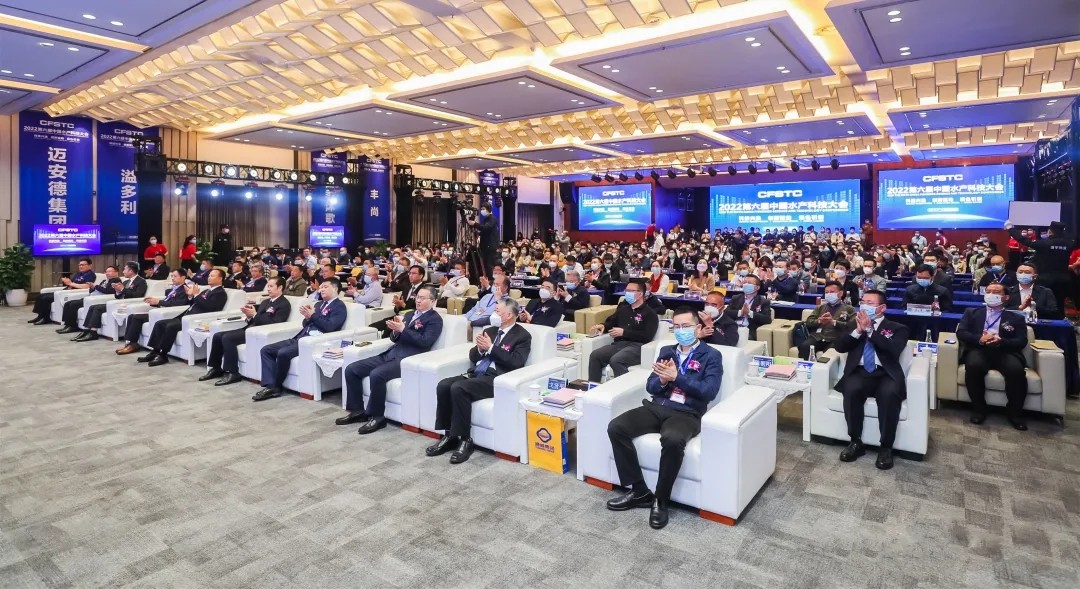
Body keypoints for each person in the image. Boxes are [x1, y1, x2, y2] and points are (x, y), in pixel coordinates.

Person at [605, 307, 724, 529]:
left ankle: (661, 499)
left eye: (686, 326)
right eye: (676, 326)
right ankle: (640, 491)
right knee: (616, 427)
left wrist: (677, 377)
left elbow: (709, 391)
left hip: (687, 413)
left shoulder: (711, 355)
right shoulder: (667, 351)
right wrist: (661, 380)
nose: (680, 331)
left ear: (698, 328)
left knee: (672, 439)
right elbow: (651, 386)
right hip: (658, 406)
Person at [426, 299, 531, 464]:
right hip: (477, 373)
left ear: (509, 315)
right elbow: (473, 356)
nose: (494, 314)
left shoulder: (522, 335)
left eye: (498, 311)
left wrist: (491, 348)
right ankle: (449, 435)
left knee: (459, 388)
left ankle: (465, 439)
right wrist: (481, 350)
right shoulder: (490, 330)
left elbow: (516, 362)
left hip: (497, 378)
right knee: (444, 385)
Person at [337, 286, 443, 433]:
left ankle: (377, 417)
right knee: (351, 369)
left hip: (409, 359)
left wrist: (403, 330)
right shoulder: (410, 314)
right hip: (391, 353)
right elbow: (394, 339)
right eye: (417, 297)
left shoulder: (435, 319)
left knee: (376, 374)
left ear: (432, 301)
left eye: (422, 298)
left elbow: (425, 342)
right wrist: (395, 331)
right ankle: (357, 411)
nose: (418, 300)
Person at [833, 290, 909, 470]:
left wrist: (870, 330)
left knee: (889, 395)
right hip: (859, 372)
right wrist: (858, 331)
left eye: (870, 303)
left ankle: (886, 448)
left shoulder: (898, 328)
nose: (864, 306)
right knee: (851, 390)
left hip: (886, 374)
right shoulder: (853, 323)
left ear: (882, 308)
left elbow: (893, 350)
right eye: (863, 302)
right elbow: (839, 346)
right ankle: (855, 442)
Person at [254, 279, 347, 402]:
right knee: (266, 350)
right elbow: (305, 324)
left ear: (335, 289)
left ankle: (274, 387)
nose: (321, 289)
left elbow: (330, 327)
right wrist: (307, 317)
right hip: (300, 337)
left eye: (325, 287)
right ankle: (270, 384)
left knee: (283, 353)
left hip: (313, 341)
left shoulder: (339, 307)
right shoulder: (318, 304)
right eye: (321, 287)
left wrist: (313, 316)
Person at [955, 283, 1030, 429]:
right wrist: (979, 339)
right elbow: (961, 332)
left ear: (1006, 297)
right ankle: (979, 410)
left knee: (1016, 371)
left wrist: (1002, 341)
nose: (990, 295)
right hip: (979, 349)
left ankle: (1014, 413)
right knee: (973, 366)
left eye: (995, 292)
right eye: (988, 291)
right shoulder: (972, 312)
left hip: (1004, 351)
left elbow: (1022, 341)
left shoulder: (1016, 318)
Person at [202, 276, 292, 386]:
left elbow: (274, 323)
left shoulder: (284, 304)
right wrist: (249, 316)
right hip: (250, 328)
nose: (268, 289)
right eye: (268, 286)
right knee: (217, 335)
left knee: (227, 338)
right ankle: (215, 368)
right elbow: (255, 318)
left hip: (259, 332)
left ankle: (233, 372)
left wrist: (254, 315)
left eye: (271, 286)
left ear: (280, 287)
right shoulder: (265, 302)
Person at [138, 269, 228, 366]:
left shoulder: (220, 293)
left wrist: (195, 295)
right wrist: (190, 296)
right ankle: (155, 351)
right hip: (187, 315)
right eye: (209, 275)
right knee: (160, 323)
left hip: (196, 319)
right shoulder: (206, 290)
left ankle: (163, 355)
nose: (209, 278)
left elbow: (210, 307)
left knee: (170, 326)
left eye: (212, 276)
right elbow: (194, 302)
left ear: (220, 278)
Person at [589, 280, 659, 381]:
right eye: (627, 290)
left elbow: (647, 336)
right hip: (619, 344)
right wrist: (603, 326)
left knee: (616, 360)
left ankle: (623, 388)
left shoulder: (650, 314)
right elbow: (611, 322)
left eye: (631, 291)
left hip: (637, 347)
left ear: (640, 294)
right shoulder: (623, 310)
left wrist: (624, 333)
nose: (627, 293)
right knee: (595, 355)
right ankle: (593, 386)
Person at [115, 270, 192, 355]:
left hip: (168, 314)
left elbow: (179, 304)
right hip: (160, 310)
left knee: (136, 318)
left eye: (175, 276)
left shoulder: (185, 289)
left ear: (183, 277)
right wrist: (153, 302)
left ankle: (133, 345)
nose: (173, 278)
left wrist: (158, 302)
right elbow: (167, 301)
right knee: (131, 316)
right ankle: (129, 343)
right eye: (172, 276)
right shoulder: (174, 288)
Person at [72, 262, 147, 342]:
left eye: (125, 269)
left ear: (131, 271)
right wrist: (118, 291)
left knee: (98, 308)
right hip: (120, 302)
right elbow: (118, 296)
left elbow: (137, 295)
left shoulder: (141, 281)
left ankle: (93, 332)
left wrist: (122, 289)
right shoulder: (126, 282)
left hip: (129, 304)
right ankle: (86, 330)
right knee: (93, 307)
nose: (123, 272)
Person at [1007, 221, 1073, 311]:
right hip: (1063, 279)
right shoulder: (1069, 244)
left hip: (1045, 279)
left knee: (1042, 303)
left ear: (1050, 231)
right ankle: (1060, 318)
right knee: (1059, 303)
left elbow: (1024, 240)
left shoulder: (1044, 243)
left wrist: (1010, 229)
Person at [28, 258, 97, 325]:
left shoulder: (90, 275)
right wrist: (67, 282)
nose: (80, 266)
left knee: (45, 298)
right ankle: (40, 316)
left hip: (71, 293)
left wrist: (71, 284)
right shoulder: (78, 274)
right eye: (79, 265)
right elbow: (71, 282)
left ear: (89, 266)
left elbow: (87, 286)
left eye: (83, 265)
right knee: (40, 296)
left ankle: (45, 318)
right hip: (66, 290)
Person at [800, 281, 858, 359]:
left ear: (840, 293)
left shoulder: (849, 309)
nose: (829, 294)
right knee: (805, 346)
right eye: (827, 292)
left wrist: (834, 322)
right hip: (818, 336)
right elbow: (809, 322)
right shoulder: (820, 307)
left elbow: (852, 326)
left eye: (832, 292)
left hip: (836, 338)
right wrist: (819, 321)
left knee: (830, 354)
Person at [56, 266, 121, 334]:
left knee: (73, 304)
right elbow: (94, 290)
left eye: (110, 271)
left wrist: (96, 286)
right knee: (67, 303)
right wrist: (92, 287)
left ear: (116, 272)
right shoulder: (104, 281)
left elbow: (108, 291)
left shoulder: (116, 281)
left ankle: (72, 326)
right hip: (91, 297)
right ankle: (67, 324)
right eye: (106, 272)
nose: (107, 273)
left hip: (97, 299)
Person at [723, 275, 772, 341]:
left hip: (749, 331)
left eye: (749, 283)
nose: (746, 284)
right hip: (733, 328)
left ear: (757, 287)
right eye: (745, 282)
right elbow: (726, 313)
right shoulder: (736, 298)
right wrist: (740, 312)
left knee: (739, 339)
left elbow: (767, 319)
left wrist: (749, 313)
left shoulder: (763, 301)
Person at [468, 203, 499, 277]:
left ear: (488, 209)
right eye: (481, 209)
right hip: (485, 246)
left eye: (483, 209)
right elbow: (485, 231)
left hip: (489, 247)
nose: (482, 211)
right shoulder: (486, 219)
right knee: (484, 265)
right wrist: (478, 233)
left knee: (489, 266)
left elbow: (486, 228)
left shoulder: (492, 219)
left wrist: (475, 224)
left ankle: (490, 280)